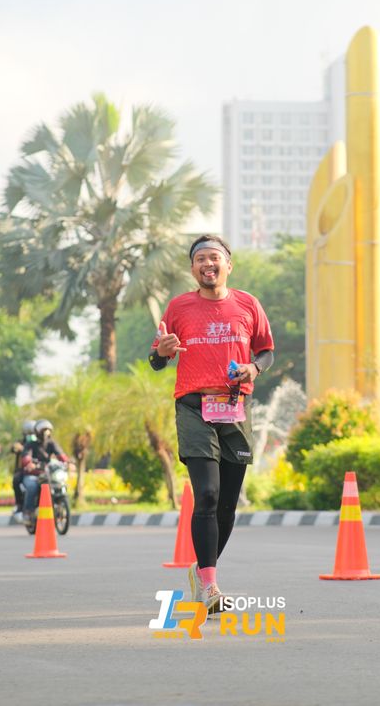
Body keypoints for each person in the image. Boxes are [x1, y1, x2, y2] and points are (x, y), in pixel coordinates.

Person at [149, 235, 274, 613]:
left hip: (235, 409)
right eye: (200, 258)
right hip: (194, 408)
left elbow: (266, 351)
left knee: (228, 504)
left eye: (214, 258)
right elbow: (157, 360)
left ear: (228, 265)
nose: (208, 264)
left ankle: (202, 570)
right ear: (193, 268)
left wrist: (254, 368)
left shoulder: (248, 304)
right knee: (206, 494)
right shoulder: (179, 307)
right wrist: (161, 353)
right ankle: (210, 586)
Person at [21, 419, 68, 523]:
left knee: (59, 484)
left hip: (48, 474)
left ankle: (58, 507)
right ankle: (28, 512)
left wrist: (68, 463)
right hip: (33, 474)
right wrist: (29, 463)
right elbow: (26, 457)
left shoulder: (51, 443)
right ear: (37, 432)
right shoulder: (30, 444)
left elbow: (61, 455)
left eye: (48, 430)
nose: (46, 433)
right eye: (43, 430)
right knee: (32, 487)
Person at [11, 420, 36, 523]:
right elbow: (14, 448)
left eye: (33, 433)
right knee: (16, 480)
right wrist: (19, 448)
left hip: (38, 470)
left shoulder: (38, 443)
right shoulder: (21, 443)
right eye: (29, 433)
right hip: (23, 470)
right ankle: (19, 505)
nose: (31, 435)